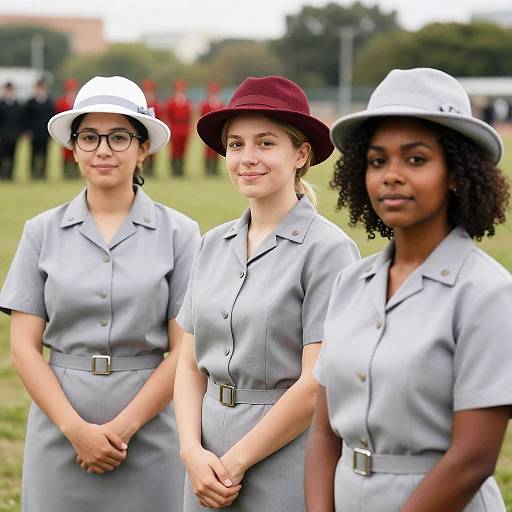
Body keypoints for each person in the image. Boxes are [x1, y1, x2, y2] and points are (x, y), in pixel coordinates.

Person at [305, 68, 512, 512]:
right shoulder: (350, 284)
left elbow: (473, 459)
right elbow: (324, 432)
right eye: (377, 161)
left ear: (456, 173)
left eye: (415, 160)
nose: (391, 175)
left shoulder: (488, 293)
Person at [0, 75, 201, 512]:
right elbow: (23, 348)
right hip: (59, 429)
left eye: (119, 137)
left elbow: (186, 350)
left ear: (142, 147)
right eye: (89, 137)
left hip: (150, 431)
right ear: (73, 147)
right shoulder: (41, 232)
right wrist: (76, 430)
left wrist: (123, 430)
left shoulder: (180, 233)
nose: (103, 150)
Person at [174, 75, 360, 511]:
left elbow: (316, 383)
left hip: (284, 457)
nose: (247, 158)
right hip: (203, 459)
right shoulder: (212, 243)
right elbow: (187, 360)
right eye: (236, 145)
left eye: (265, 143)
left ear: (300, 154)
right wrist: (190, 450)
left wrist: (235, 463)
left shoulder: (328, 251)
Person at [24, 78, 55, 180]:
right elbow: (26, 117)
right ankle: (33, 173)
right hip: (34, 133)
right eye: (39, 87)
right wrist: (28, 130)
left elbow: (52, 117)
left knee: (45, 154)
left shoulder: (49, 102)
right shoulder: (30, 102)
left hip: (45, 133)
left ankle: (43, 173)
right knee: (33, 154)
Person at [166, 79, 192, 176]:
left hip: (184, 127)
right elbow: (168, 116)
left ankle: (181, 170)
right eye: (178, 89)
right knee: (174, 150)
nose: (180, 91)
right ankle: (174, 171)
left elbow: (190, 116)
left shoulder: (187, 102)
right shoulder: (171, 102)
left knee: (183, 150)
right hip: (175, 127)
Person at [55, 77, 80, 178]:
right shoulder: (61, 102)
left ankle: (75, 171)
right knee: (65, 152)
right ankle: (65, 172)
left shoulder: (78, 101)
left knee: (76, 150)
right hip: (65, 130)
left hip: (77, 130)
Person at [199, 82, 224, 176]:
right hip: (207, 129)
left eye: (216, 91)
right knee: (207, 150)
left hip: (217, 129)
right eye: (212, 91)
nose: (214, 93)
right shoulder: (205, 104)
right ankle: (208, 169)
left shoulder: (220, 103)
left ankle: (215, 169)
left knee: (217, 149)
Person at [0, 82, 24, 180]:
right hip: (3, 135)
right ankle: (2, 174)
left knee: (12, 156)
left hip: (14, 135)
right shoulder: (1, 105)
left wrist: (20, 133)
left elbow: (21, 120)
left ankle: (10, 174)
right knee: (2, 156)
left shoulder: (17, 105)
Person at [141, 78, 164, 177]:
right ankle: (142, 169)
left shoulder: (156, 102)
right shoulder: (142, 102)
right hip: (142, 128)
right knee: (141, 149)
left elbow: (160, 116)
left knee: (153, 151)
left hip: (153, 129)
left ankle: (151, 170)